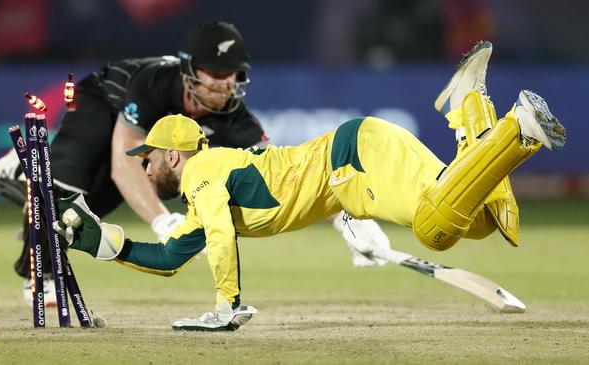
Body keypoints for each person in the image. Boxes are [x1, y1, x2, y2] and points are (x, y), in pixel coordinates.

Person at [52, 41, 566, 331]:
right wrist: (93, 240)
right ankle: (468, 106)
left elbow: (221, 244)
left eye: (147, 163)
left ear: (171, 156)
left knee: (435, 231)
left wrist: (227, 305)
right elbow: (168, 259)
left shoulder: (204, 173)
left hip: (358, 158)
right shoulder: (208, 191)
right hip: (353, 174)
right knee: (472, 222)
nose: (143, 173)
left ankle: (516, 131)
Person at [0, 21, 390, 307]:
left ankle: (20, 176)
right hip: (103, 103)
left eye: (232, 74)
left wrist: (346, 220)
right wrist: (161, 223)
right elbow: (121, 163)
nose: (224, 85)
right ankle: (39, 272)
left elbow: (286, 178)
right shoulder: (154, 84)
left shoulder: (235, 120)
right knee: (67, 182)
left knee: (84, 209)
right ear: (190, 71)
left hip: (140, 149)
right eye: (214, 73)